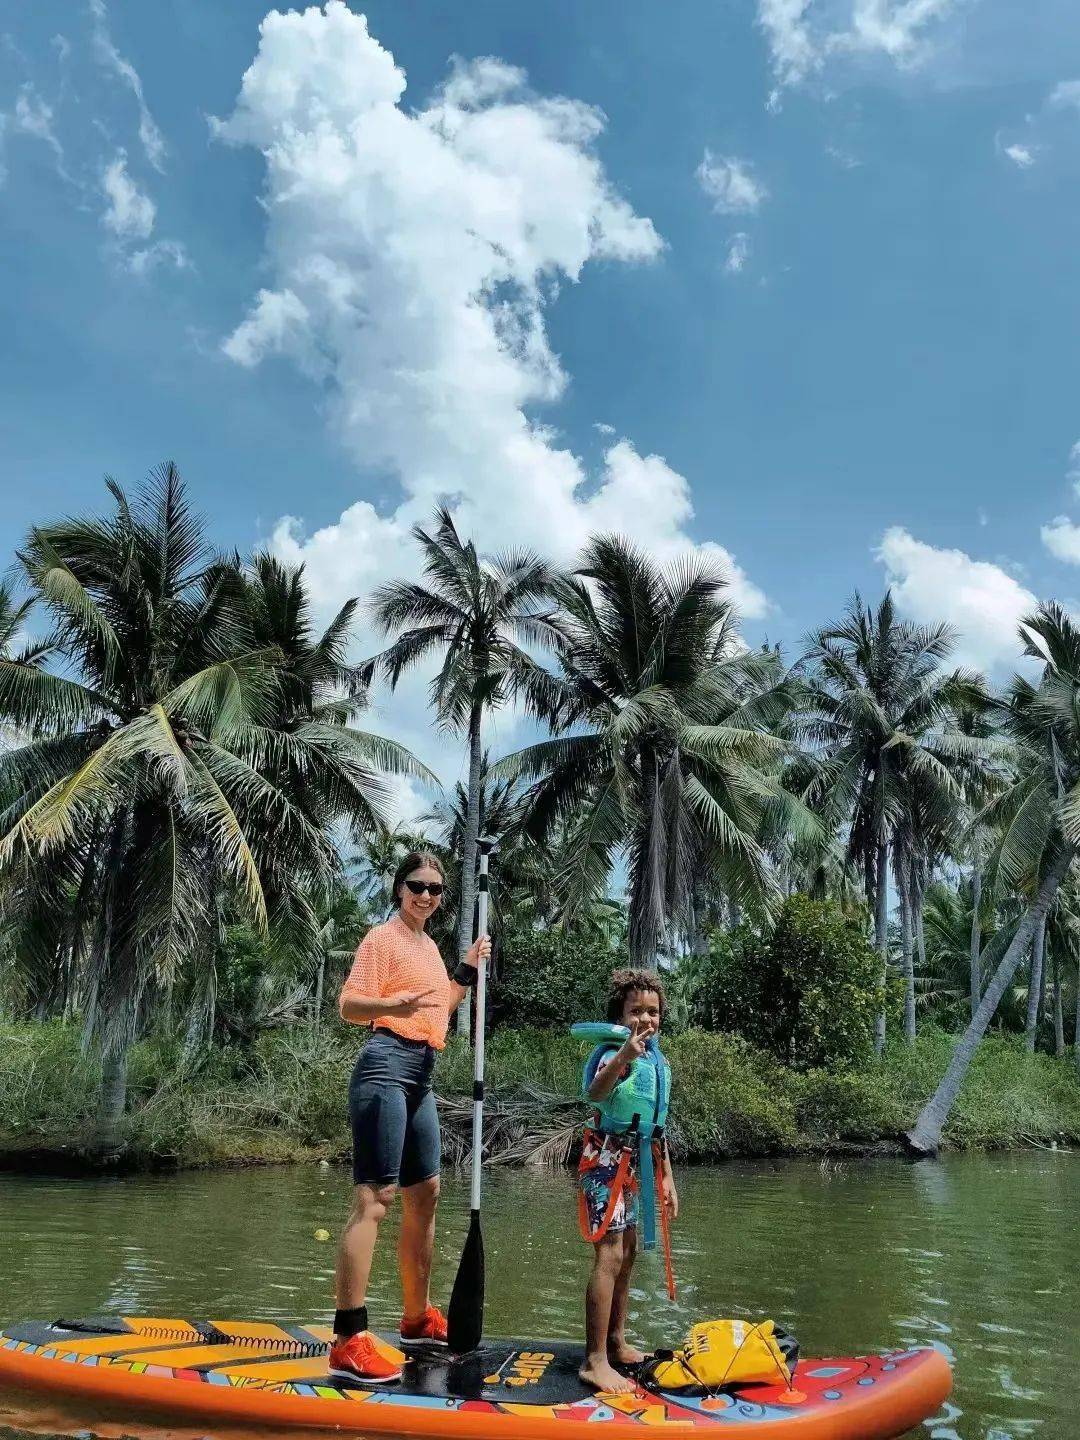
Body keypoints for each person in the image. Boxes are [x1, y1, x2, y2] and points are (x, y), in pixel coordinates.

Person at [328, 851, 490, 1384]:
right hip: (384, 1064)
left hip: (422, 1071)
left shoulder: (427, 947)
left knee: (428, 1192)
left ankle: (417, 1320)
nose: (426, 895)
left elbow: (440, 1007)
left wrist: (466, 967)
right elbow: (349, 1004)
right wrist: (388, 1005)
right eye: (417, 885)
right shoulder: (383, 939)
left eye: (436, 889)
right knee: (376, 1198)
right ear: (400, 889)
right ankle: (349, 1339)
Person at [577, 969, 677, 1395]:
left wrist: (668, 1177)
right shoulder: (612, 1053)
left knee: (630, 1251)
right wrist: (623, 1058)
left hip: (637, 1162)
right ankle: (594, 1360)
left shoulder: (657, 1058)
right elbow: (596, 1094)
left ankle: (616, 1342)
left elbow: (657, 1125)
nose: (646, 1019)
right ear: (620, 1014)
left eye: (653, 1012)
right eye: (636, 1010)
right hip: (605, 1160)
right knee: (610, 1255)